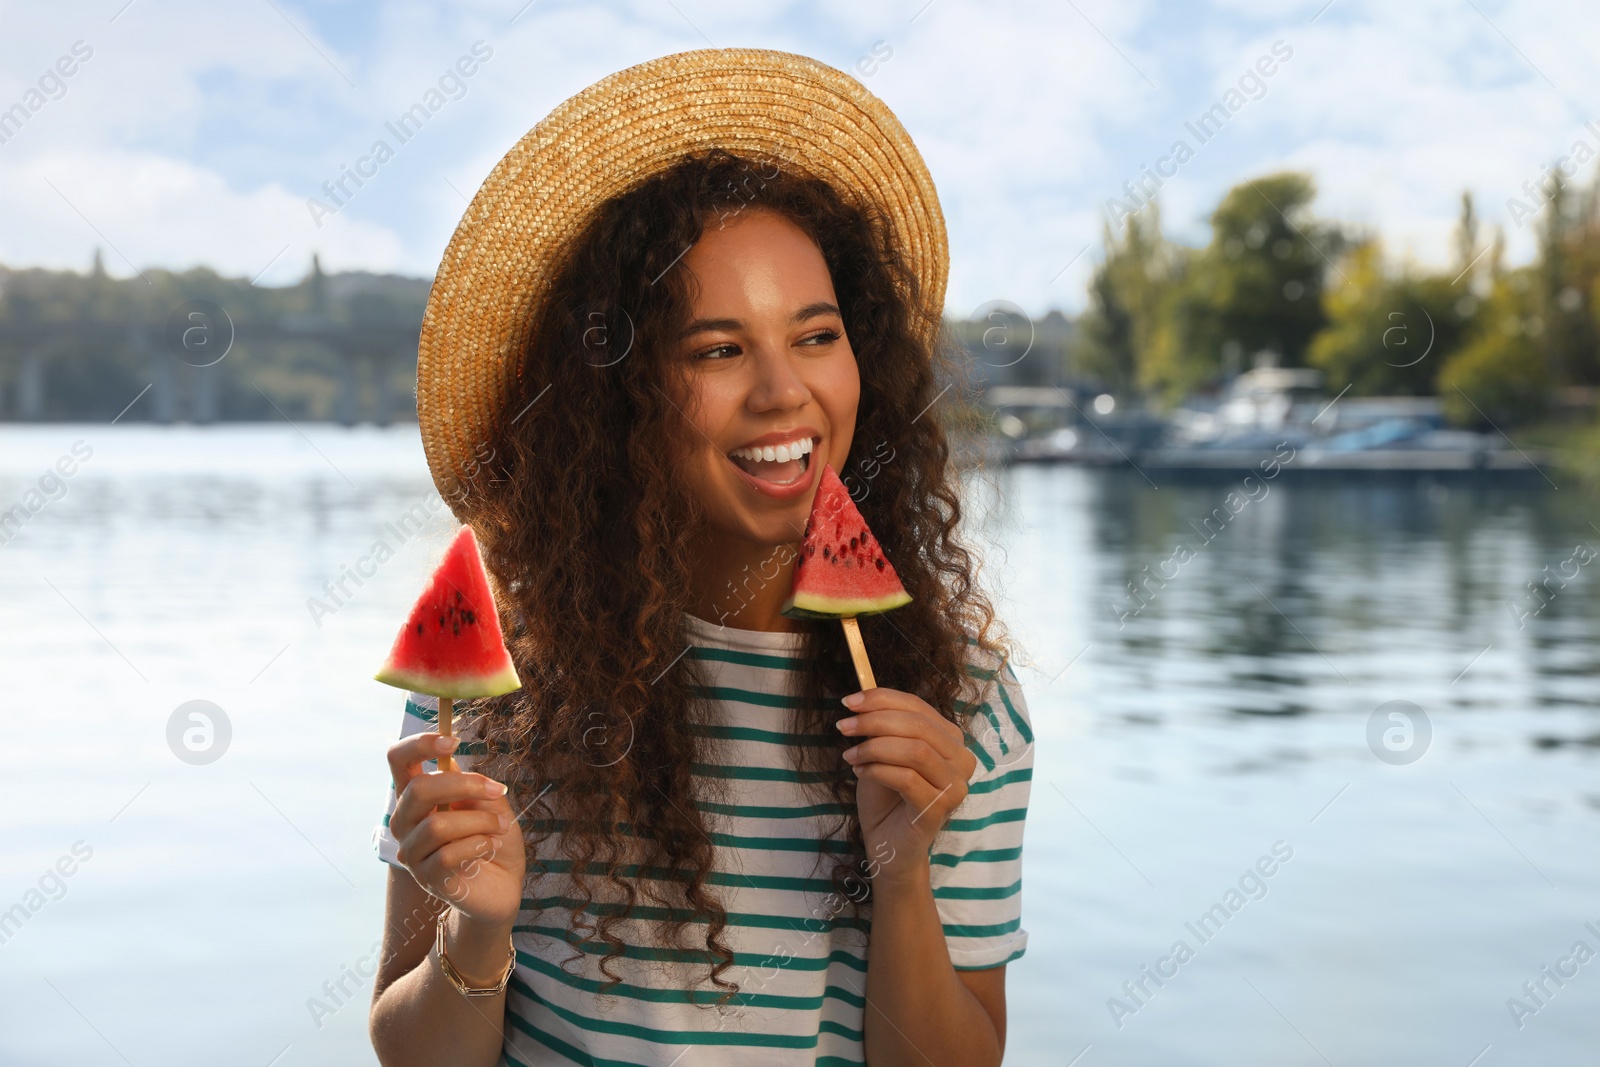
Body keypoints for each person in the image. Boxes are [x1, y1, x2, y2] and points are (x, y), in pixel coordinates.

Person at [367, 48, 1035, 1067]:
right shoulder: (497, 683)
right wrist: (479, 928)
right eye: (717, 349)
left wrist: (901, 876)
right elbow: (412, 1051)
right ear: (616, 396)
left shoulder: (960, 700)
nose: (783, 393)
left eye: (815, 335)